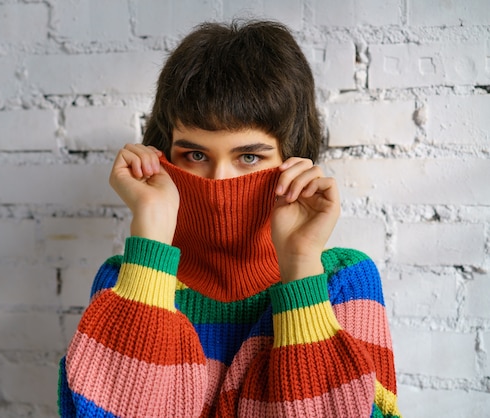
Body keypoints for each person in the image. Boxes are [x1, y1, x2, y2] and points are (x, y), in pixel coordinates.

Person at [58, 19, 401, 418]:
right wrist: (150, 234)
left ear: (293, 161)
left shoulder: (343, 282)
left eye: (249, 157)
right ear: (165, 157)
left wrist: (302, 271)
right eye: (196, 155)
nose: (220, 182)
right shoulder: (126, 282)